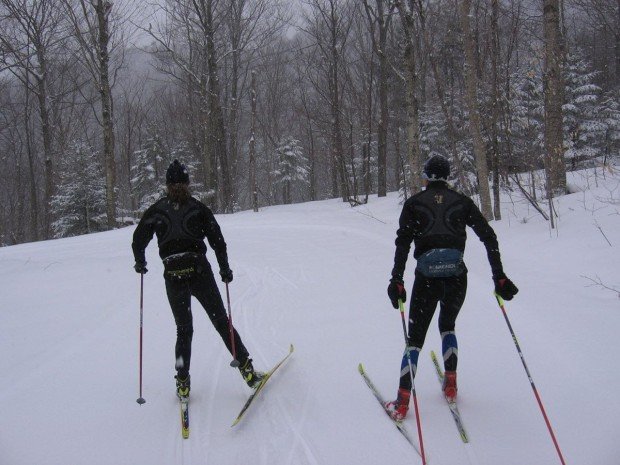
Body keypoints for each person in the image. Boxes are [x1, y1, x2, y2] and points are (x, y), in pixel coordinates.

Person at [385, 155, 518, 420]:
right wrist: (499, 276)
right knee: (447, 326)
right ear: (447, 176)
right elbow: (488, 236)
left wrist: (397, 280)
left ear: (426, 176)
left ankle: (401, 403)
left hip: (426, 281)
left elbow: (403, 243)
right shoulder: (462, 202)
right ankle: (451, 385)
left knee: (415, 341)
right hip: (457, 279)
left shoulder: (413, 204)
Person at [131, 160, 264, 400]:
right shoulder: (197, 208)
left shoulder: (157, 211)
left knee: (184, 330)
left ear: (167, 185)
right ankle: (248, 371)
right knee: (222, 322)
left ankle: (182, 382)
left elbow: (138, 239)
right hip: (199, 272)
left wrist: (140, 262)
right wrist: (224, 269)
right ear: (188, 183)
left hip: (173, 276)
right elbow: (217, 241)